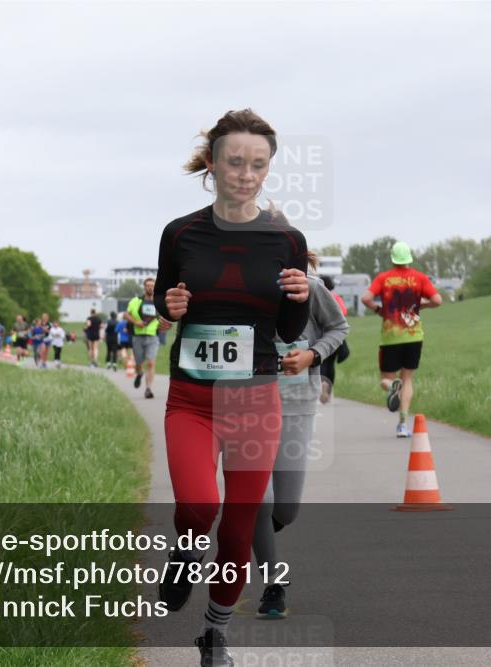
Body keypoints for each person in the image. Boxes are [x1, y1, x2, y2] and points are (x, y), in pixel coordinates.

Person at [154, 108, 310, 667]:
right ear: (214, 164)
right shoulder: (181, 232)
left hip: (255, 397)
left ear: (268, 170)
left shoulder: (286, 240)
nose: (245, 173)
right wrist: (168, 306)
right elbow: (164, 301)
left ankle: (215, 632)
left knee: (241, 526)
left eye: (258, 164)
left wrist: (298, 298)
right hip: (192, 399)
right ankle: (184, 552)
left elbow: (287, 331)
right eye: (235, 161)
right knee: (199, 505)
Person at [252, 255, 348, 618]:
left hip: (295, 402)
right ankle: (272, 584)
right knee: (259, 501)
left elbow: (338, 329)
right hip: (246, 401)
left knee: (285, 509)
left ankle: (251, 529)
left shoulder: (311, 286)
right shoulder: (239, 286)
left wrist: (312, 354)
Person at [361, 241, 442, 438]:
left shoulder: (383, 278)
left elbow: (365, 298)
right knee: (407, 380)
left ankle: (391, 387)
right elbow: (437, 300)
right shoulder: (420, 278)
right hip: (414, 335)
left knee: (385, 380)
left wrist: (379, 310)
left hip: (390, 336)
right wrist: (419, 306)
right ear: (409, 258)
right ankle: (403, 425)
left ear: (392, 258)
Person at [125, 278, 162, 399]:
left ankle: (148, 389)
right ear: (144, 287)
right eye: (148, 286)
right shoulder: (136, 301)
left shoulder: (159, 302)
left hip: (152, 336)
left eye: (152, 286)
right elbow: (126, 314)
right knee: (139, 363)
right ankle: (139, 373)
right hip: (138, 336)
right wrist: (136, 322)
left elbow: (165, 316)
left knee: (151, 363)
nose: (150, 288)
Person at [318, 275, 349, 403]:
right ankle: (329, 391)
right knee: (331, 364)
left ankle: (322, 384)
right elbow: (344, 312)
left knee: (321, 362)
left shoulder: (317, 295)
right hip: (335, 336)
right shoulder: (335, 297)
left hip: (320, 334)